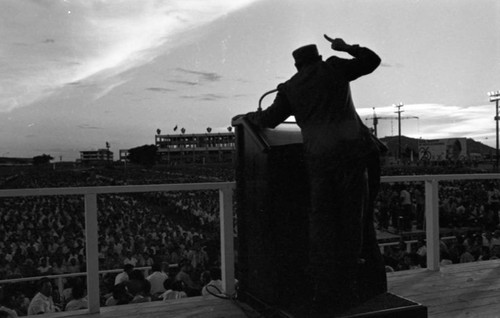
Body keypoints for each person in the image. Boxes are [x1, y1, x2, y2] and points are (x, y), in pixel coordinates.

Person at [234, 35, 387, 315]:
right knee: (353, 222)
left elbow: (268, 119)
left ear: (296, 66)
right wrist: (345, 47)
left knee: (324, 224)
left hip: (319, 162)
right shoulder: (334, 68)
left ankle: (325, 291)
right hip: (353, 156)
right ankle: (352, 286)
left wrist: (249, 118)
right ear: (317, 58)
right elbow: (373, 61)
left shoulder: (291, 87)